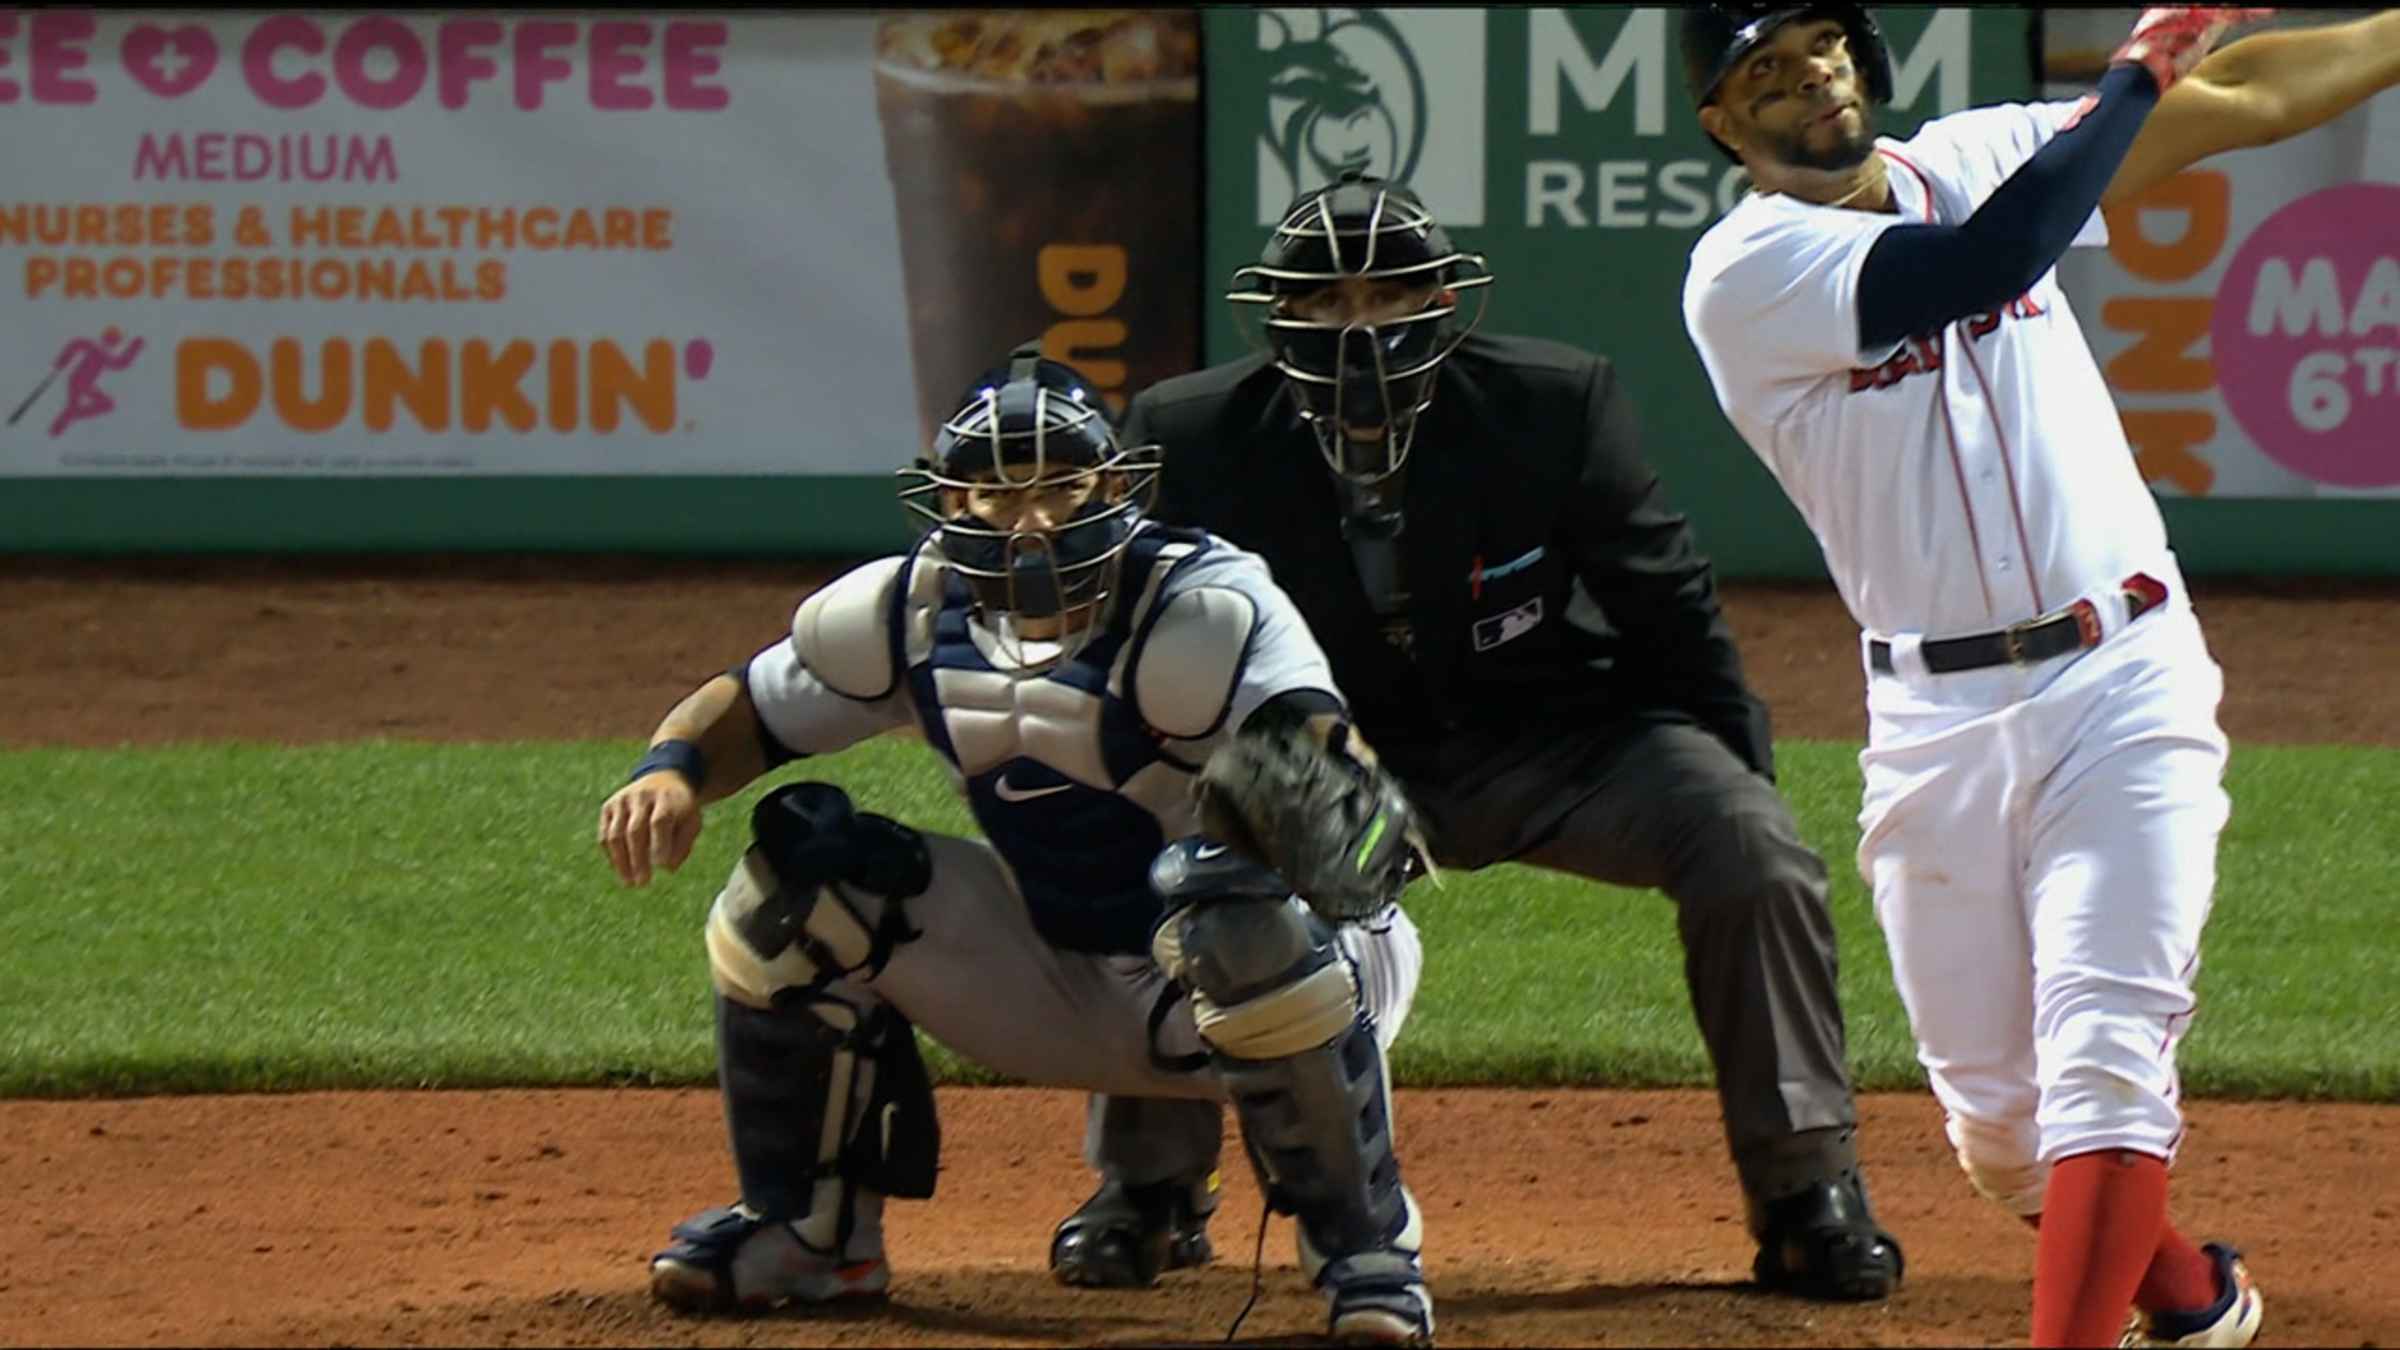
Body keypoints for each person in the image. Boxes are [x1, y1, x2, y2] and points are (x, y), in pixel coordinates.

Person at [1045, 171, 1906, 1304]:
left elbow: (1666, 600)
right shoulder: (1192, 434)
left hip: (1547, 739)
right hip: (1320, 759)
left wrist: (1740, 784)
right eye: (1327, 301)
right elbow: (1141, 654)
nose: (1361, 327)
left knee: (1750, 850)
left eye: (1388, 297)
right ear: (1278, 315)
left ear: (1444, 304)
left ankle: (1806, 1189)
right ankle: (1150, 1186)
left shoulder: (1552, 402)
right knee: (1170, 846)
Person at [1678, 4, 2400, 1344]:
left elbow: (2233, 98)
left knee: (2107, 1063)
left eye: (1821, 45)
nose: (1808, 79)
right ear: (1721, 124)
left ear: (1861, 57)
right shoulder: (1746, 271)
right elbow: (1990, 257)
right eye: (1761, 71)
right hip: (1932, 726)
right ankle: (2191, 1298)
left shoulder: (1977, 149)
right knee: (2005, 1136)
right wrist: (2127, 74)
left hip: (2122, 678)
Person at [596, 345, 1438, 1346]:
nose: (1031, 520)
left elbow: (1329, 778)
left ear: (1115, 486)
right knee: (800, 881)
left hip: (1290, 971)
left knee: (1226, 909)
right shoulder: (903, 614)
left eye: (1059, 484)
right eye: (997, 493)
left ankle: (1363, 1250)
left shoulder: (1202, 610)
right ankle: (811, 1234)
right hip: (1070, 972)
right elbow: (753, 706)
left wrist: (1299, 816)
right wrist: (670, 767)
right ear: (947, 503)